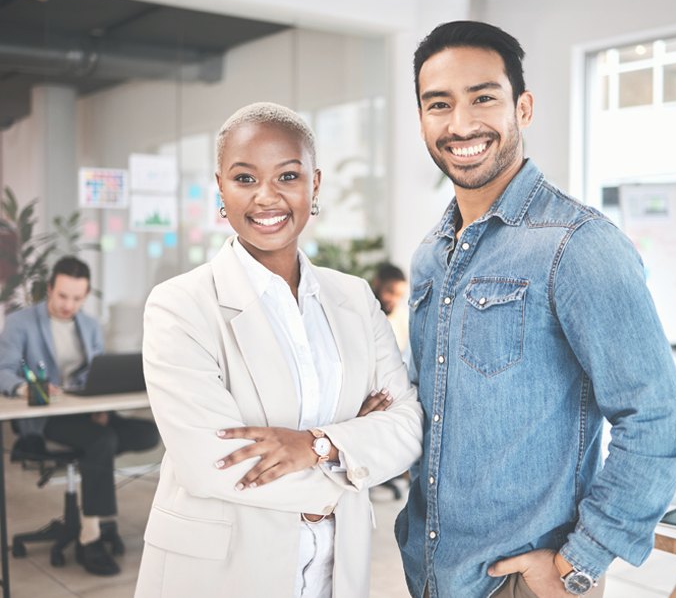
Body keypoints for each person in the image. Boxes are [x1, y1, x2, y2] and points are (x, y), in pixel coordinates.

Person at [395, 21, 676, 598]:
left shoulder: (578, 244)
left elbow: (658, 422)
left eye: (483, 97)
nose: (461, 124)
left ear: (522, 108)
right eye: (439, 104)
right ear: (424, 120)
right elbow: (425, 408)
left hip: (526, 584)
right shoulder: (431, 255)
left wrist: (577, 564)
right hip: (431, 574)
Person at [136, 102, 423, 598]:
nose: (266, 197)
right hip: (223, 571)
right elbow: (213, 462)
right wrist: (348, 452)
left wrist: (314, 445)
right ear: (220, 189)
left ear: (314, 185)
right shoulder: (180, 305)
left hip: (335, 571)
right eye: (245, 178)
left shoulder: (353, 297)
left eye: (287, 176)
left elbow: (406, 426)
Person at [0, 256, 160, 576]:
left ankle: (95, 511)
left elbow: (96, 373)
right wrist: (23, 389)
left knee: (147, 434)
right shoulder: (21, 322)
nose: (67, 305)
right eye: (62, 296)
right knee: (101, 441)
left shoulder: (89, 324)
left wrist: (100, 406)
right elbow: (2, 370)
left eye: (77, 298)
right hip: (47, 417)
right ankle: (91, 535)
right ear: (49, 289)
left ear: (85, 296)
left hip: (85, 410)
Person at [371, 263, 409, 356]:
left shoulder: (402, 317)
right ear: (377, 283)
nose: (394, 300)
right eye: (390, 291)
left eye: (399, 295)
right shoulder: (360, 310)